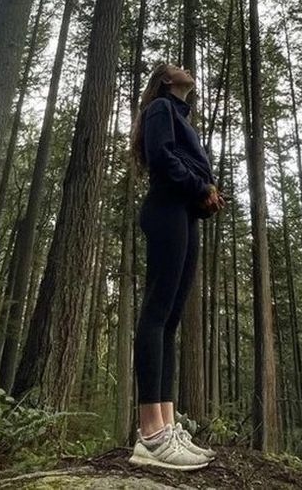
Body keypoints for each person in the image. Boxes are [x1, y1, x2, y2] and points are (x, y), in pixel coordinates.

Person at [128, 62, 225, 471]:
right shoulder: (160, 110)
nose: (188, 69)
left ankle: (168, 426)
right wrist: (202, 186)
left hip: (183, 212)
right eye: (179, 67)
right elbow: (162, 157)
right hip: (166, 210)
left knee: (169, 321)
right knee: (155, 313)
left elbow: (183, 163)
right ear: (167, 80)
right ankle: (150, 434)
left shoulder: (181, 117)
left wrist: (205, 197)